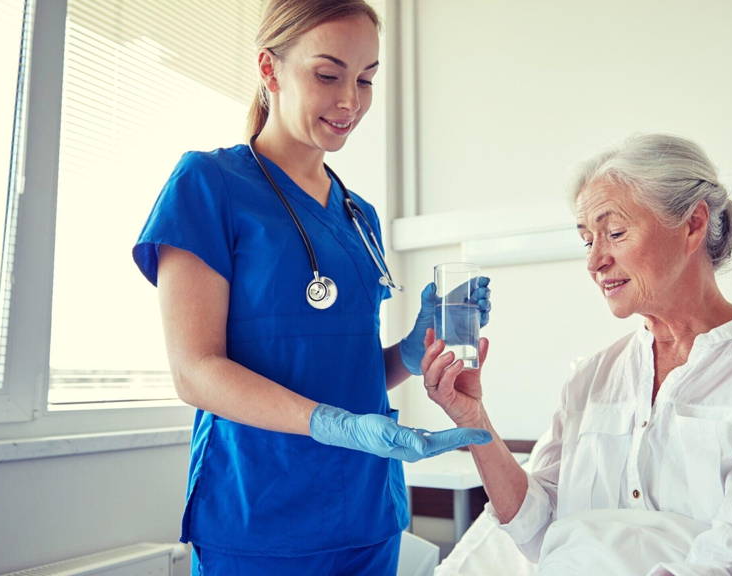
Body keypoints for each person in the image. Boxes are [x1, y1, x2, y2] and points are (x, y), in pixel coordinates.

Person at [131, 1, 491, 573]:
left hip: (368, 512)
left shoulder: (358, 215)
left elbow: (345, 365)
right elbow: (194, 371)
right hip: (260, 514)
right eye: (328, 75)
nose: (351, 100)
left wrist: (410, 350)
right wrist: (334, 424)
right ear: (269, 70)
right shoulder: (208, 185)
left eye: (366, 79)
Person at [421, 134, 732, 575]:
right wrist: (474, 420)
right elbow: (539, 532)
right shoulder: (591, 378)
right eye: (586, 240)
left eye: (614, 233)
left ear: (693, 225)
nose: (595, 261)